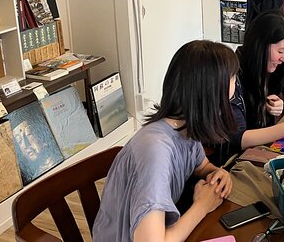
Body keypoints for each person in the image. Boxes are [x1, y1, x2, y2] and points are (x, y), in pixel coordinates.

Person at [93, 40, 237, 242]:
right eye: (232, 81)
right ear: (210, 97)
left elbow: (201, 165)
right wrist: (202, 206)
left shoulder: (182, 128)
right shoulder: (156, 150)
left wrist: (217, 173)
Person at [213, 10, 284, 165]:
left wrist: (268, 105)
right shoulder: (232, 74)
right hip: (229, 162)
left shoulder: (266, 69)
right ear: (260, 45)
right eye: (280, 51)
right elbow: (236, 139)